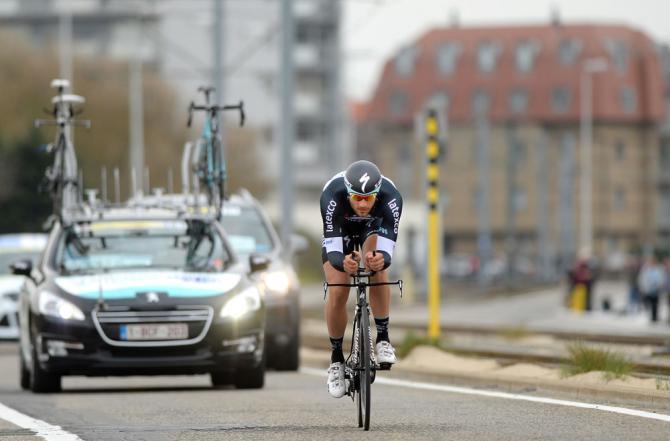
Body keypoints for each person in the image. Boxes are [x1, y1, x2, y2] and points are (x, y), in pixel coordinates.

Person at [320, 160, 403, 398]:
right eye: (358, 198)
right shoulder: (332, 196)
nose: (364, 204)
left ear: (378, 194)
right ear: (348, 193)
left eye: (369, 198)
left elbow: (387, 250)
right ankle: (336, 359)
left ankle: (383, 338)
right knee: (338, 288)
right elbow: (334, 250)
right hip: (341, 229)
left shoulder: (392, 198)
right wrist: (342, 262)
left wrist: (381, 259)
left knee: (375, 261)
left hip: (372, 228)